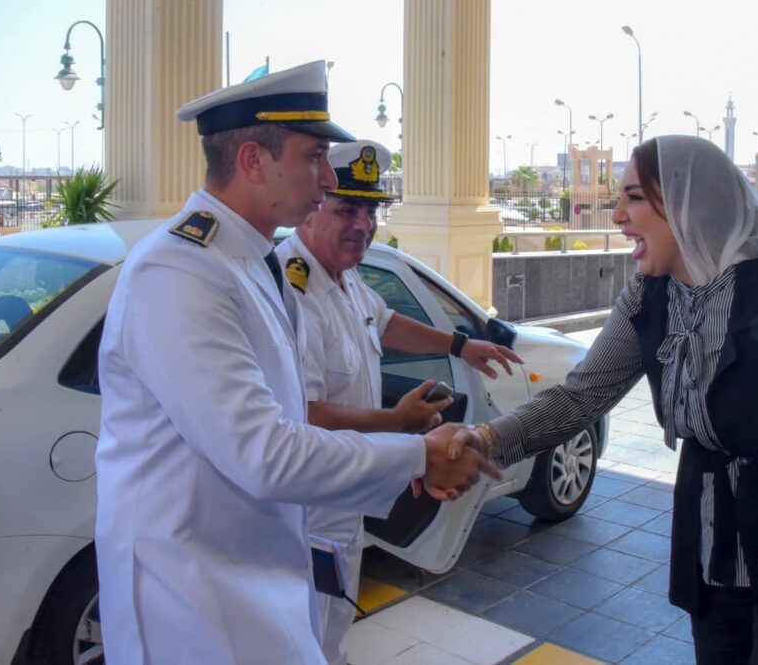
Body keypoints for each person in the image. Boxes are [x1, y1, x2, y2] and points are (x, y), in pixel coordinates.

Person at [94, 61, 497, 665]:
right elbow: (265, 452)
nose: (326, 177)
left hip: (253, 572)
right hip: (194, 596)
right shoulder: (180, 270)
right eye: (314, 157)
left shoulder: (252, 262)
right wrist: (418, 453)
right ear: (254, 160)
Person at [463, 135, 758, 664]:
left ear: (687, 203)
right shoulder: (648, 296)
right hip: (711, 550)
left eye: (634, 197)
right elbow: (581, 397)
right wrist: (487, 439)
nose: (617, 216)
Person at [274, 138, 523, 664]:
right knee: (305, 640)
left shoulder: (343, 278)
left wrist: (459, 345)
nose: (363, 225)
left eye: (370, 212)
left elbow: (383, 321)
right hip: (308, 512)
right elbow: (305, 413)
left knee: (331, 631)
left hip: (345, 500)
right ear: (312, 206)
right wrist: (398, 422)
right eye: (347, 209)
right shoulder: (291, 289)